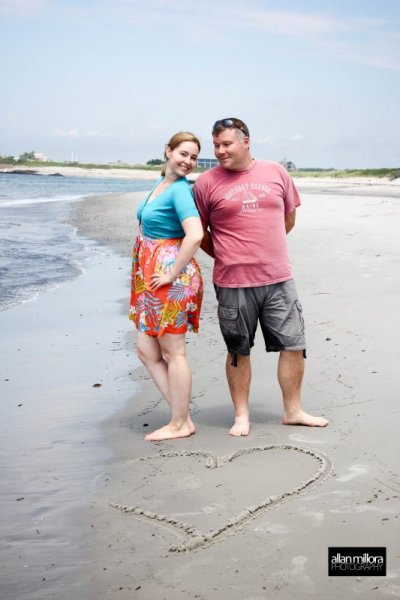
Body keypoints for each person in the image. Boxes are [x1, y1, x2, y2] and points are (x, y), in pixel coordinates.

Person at [194, 118, 328, 436]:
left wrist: (265, 250)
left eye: (226, 144)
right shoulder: (205, 182)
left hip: (278, 278)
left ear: (246, 141)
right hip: (232, 282)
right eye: (216, 145)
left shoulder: (276, 172)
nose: (220, 150)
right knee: (238, 350)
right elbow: (199, 232)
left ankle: (293, 410)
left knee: (294, 344)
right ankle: (241, 415)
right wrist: (228, 254)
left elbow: (289, 216)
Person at [129, 131, 204, 441]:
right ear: (168, 152)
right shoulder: (163, 184)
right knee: (147, 350)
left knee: (174, 352)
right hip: (151, 274)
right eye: (183, 154)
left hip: (169, 277)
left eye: (194, 157)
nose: (188, 161)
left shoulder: (181, 191)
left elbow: (196, 234)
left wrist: (172, 273)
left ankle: (179, 422)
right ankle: (180, 414)